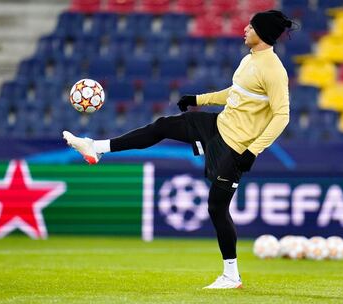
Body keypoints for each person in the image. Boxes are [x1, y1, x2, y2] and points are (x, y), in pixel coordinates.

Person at [63, 10, 292, 289]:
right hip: (217, 126)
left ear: (262, 33)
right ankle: (96, 147)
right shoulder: (249, 60)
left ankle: (231, 275)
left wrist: (253, 151)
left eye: (251, 26)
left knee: (217, 207)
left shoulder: (273, 69)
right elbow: (235, 93)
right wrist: (199, 99)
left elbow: (282, 115)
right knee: (162, 126)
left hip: (235, 147)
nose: (245, 29)